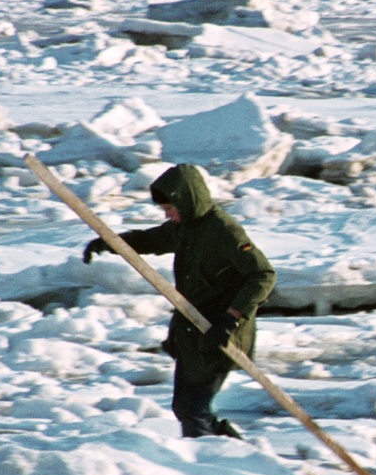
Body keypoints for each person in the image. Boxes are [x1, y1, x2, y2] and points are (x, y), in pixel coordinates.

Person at [82, 164, 276, 439]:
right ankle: (233, 452)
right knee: (187, 408)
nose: (168, 214)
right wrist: (109, 243)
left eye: (170, 208)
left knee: (192, 408)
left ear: (188, 201)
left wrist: (230, 317)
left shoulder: (223, 231)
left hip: (220, 333)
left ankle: (212, 463)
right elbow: (151, 239)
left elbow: (263, 275)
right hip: (193, 333)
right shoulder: (185, 227)